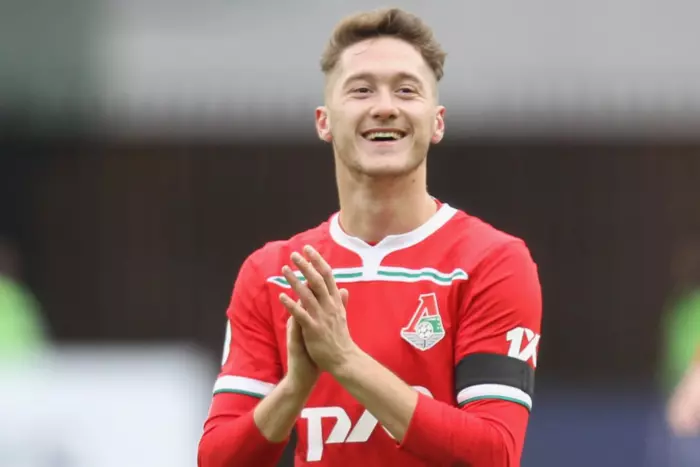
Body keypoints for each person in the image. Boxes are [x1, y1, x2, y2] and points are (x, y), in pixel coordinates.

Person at [198, 8, 542, 467]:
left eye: (406, 90)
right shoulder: (276, 274)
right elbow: (217, 460)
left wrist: (345, 361)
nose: (384, 107)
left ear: (437, 122)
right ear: (324, 121)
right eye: (361, 90)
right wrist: (294, 389)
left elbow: (495, 454)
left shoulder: (491, 261)